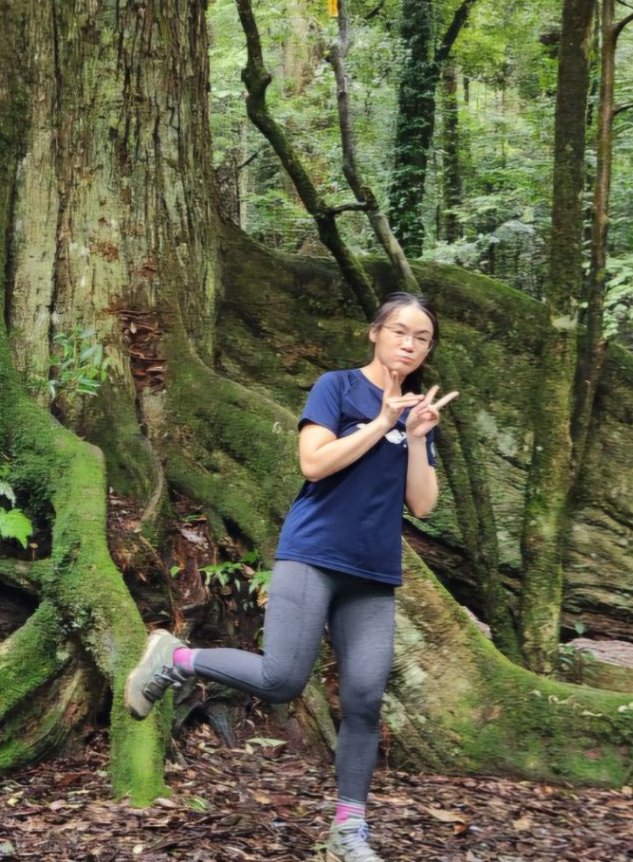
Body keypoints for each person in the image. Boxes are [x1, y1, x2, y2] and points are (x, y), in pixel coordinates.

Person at [124, 291, 458, 862]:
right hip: (313, 553)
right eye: (400, 331)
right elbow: (314, 462)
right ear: (374, 333)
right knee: (282, 678)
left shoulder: (415, 414)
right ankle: (176, 659)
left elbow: (422, 506)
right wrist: (382, 422)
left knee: (363, 700)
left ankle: (347, 832)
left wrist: (418, 436)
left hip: (373, 572)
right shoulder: (338, 387)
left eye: (422, 338)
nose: (410, 343)